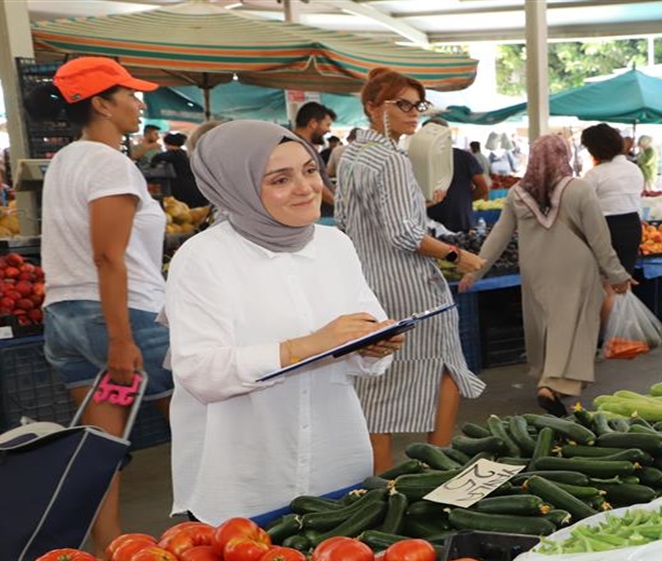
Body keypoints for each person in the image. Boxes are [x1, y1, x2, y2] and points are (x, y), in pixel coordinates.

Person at [165, 120, 402, 524]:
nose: (306, 188)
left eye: (309, 170)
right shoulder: (204, 258)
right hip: (243, 482)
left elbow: (362, 330)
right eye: (280, 179)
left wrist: (372, 345)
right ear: (233, 186)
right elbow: (201, 373)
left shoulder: (335, 245)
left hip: (336, 466)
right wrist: (309, 345)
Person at [24, 57, 174, 550]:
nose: (138, 102)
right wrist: (121, 339)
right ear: (101, 104)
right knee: (201, 420)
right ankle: (223, 529)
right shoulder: (109, 163)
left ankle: (107, 547)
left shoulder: (67, 159)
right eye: (129, 94)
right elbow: (109, 257)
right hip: (120, 319)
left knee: (102, 442)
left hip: (67, 319)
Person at [336, 68, 485, 472]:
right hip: (409, 284)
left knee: (376, 381)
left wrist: (419, 206)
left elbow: (356, 218)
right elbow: (405, 233)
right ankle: (437, 468)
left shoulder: (351, 154)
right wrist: (457, 255)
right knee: (447, 365)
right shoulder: (390, 158)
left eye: (417, 104)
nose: (413, 112)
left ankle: (381, 482)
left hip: (367, 282)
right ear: (371, 106)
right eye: (401, 104)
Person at [458, 135, 632, 415]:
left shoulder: (517, 193)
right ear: (565, 156)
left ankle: (551, 380)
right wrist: (617, 274)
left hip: (536, 269)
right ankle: (552, 385)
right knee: (575, 325)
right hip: (576, 268)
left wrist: (475, 271)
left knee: (546, 323)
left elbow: (498, 237)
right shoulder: (579, 189)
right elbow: (600, 238)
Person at [580, 123, 645, 324]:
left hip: (606, 228)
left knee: (606, 286)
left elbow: (583, 205)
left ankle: (606, 338)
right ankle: (624, 334)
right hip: (632, 226)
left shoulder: (595, 174)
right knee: (624, 280)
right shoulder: (634, 169)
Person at [424, 117, 489, 234]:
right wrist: (464, 200)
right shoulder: (420, 159)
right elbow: (483, 188)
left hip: (456, 221)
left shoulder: (464, 157)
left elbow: (483, 188)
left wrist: (465, 199)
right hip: (434, 221)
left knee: (456, 250)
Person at [293, 101, 338, 216]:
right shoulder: (298, 147)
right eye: (327, 125)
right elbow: (312, 183)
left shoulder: (304, 145)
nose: (328, 130)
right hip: (323, 216)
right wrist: (339, 204)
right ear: (313, 123)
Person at [151, 132, 207, 208]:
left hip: (182, 189)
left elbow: (155, 159)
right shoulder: (185, 153)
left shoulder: (171, 154)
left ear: (167, 144)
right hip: (195, 187)